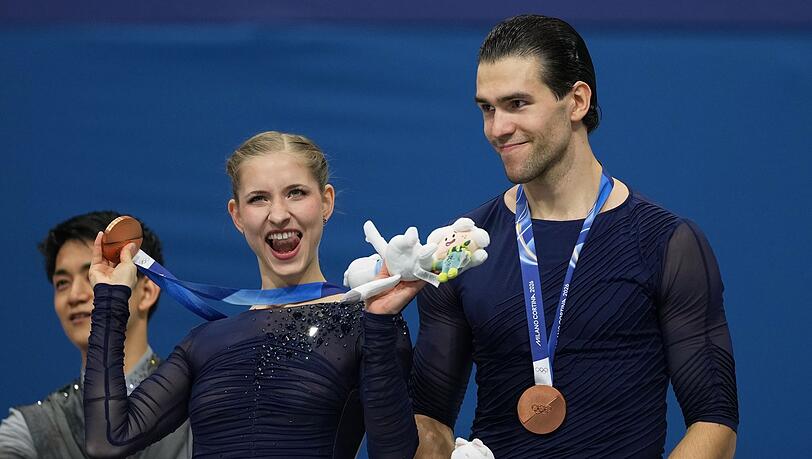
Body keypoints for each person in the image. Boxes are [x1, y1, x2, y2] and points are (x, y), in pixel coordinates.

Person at [411, 15, 739, 458]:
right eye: (487, 108)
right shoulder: (463, 248)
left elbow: (714, 421)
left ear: (577, 101)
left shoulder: (667, 242)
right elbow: (429, 419)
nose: (497, 128)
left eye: (517, 104)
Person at [82, 131, 420, 458]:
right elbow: (109, 439)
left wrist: (379, 324)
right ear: (237, 215)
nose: (278, 214)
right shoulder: (204, 343)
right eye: (259, 198)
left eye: (296, 193)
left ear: (326, 202)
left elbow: (394, 452)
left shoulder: (366, 322)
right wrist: (111, 299)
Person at [0, 211, 192, 458]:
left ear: (146, 292)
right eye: (62, 283)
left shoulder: (198, 406)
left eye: (97, 272)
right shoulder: (34, 429)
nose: (75, 295)